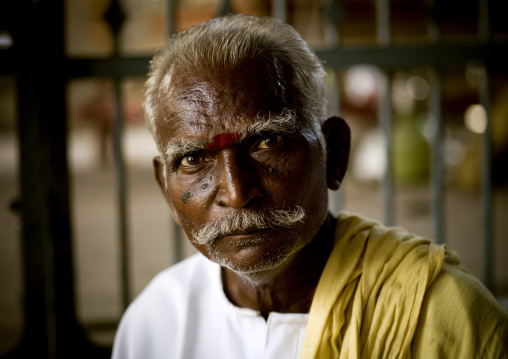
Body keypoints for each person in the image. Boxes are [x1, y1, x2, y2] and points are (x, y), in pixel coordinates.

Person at [111, 15, 508, 359]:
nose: (236, 191)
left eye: (267, 141)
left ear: (334, 155)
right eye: (194, 159)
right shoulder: (155, 323)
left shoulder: (444, 316)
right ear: (166, 189)